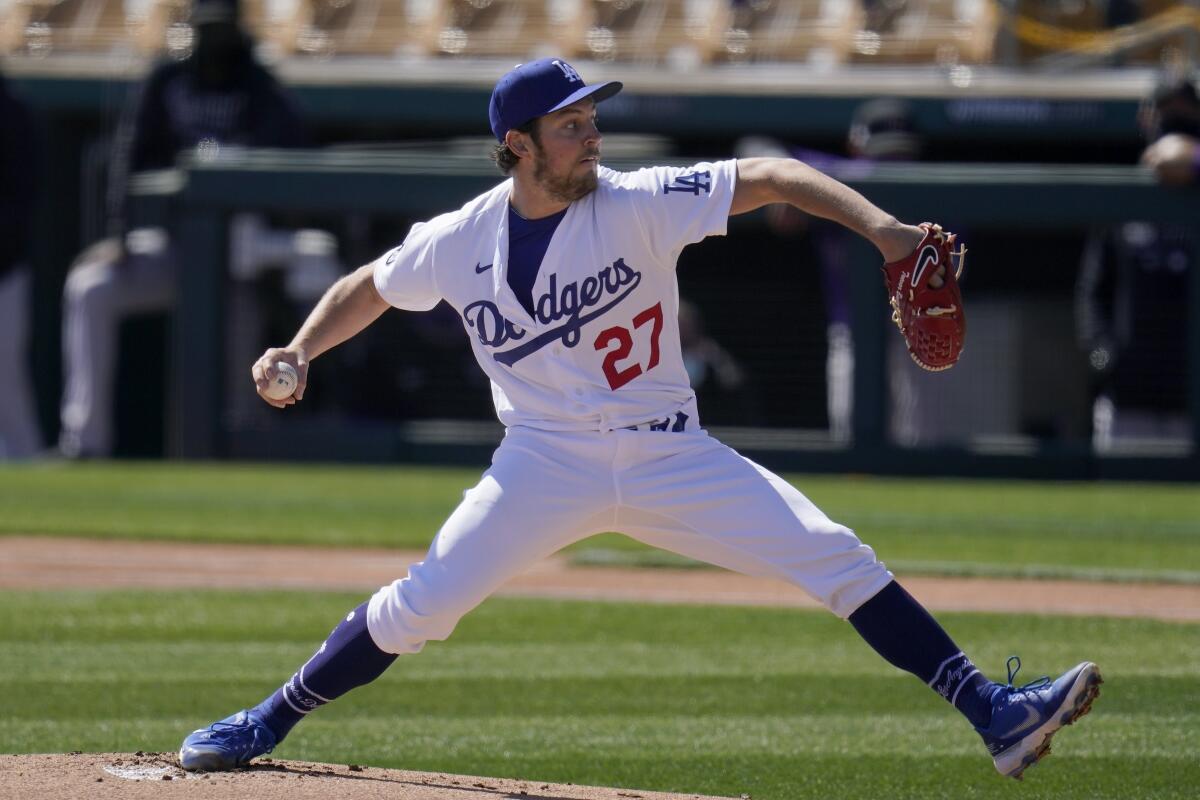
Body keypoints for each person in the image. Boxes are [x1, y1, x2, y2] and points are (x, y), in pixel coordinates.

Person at [178, 58, 1100, 782]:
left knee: (836, 556)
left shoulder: (637, 201)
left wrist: (888, 233)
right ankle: (265, 721)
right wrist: (299, 350)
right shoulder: (459, 239)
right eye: (570, 125)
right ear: (517, 144)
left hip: (672, 455)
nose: (591, 136)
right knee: (423, 604)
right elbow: (369, 286)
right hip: (542, 464)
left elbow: (776, 176)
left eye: (591, 119)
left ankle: (995, 714)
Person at [58, 0, 314, 458]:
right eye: (206, 29)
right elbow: (127, 162)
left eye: (222, 29)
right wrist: (119, 238)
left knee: (248, 350)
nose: (213, 40)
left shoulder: (263, 89)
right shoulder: (167, 81)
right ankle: (84, 442)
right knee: (90, 288)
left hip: (242, 256)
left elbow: (292, 169)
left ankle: (246, 445)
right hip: (173, 245)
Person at [1076, 74, 1199, 452]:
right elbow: (1093, 290)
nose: (1173, 126)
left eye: (1184, 116)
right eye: (1166, 114)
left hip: (1191, 393)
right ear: (1147, 118)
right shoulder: (1123, 201)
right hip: (1130, 394)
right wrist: (1102, 354)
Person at [0, 68, 43, 459]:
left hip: (4, 268)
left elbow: (22, 197)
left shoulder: (10, 112)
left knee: (4, 378)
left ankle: (26, 465)